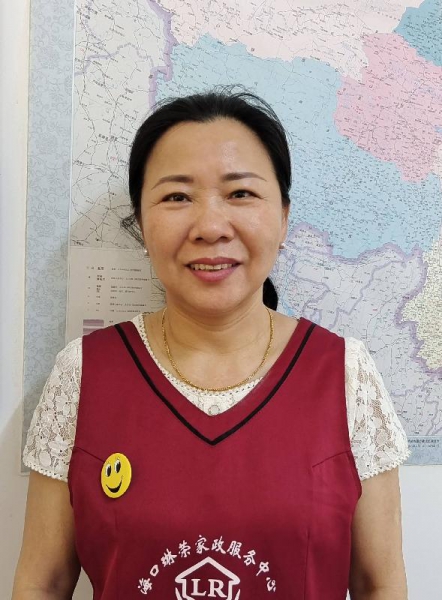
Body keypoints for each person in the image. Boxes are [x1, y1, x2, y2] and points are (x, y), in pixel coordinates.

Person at [13, 87, 410, 599]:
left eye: (240, 193)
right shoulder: (84, 373)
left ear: (284, 217)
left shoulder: (345, 374)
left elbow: (379, 584)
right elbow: (42, 583)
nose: (211, 227)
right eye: (177, 197)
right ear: (141, 224)